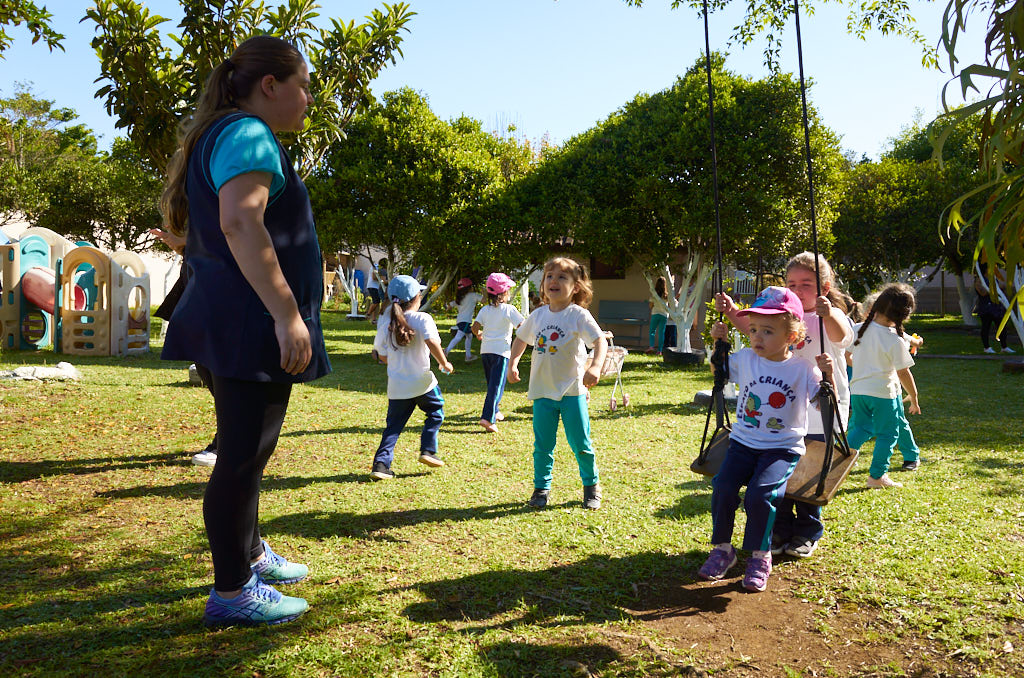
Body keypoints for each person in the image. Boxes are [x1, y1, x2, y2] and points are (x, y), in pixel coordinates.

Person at [159, 36, 331, 627]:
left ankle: (251, 554)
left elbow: (221, 225)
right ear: (269, 85)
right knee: (242, 454)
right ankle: (233, 590)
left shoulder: (226, 132)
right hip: (249, 322)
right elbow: (239, 222)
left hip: (232, 317)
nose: (309, 98)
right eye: (304, 85)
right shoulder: (249, 133)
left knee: (248, 450)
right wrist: (287, 315)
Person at [715, 253, 853, 560]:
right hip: (785, 411)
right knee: (780, 475)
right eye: (792, 284)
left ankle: (807, 530)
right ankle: (779, 528)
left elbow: (841, 337)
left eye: (807, 284)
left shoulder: (829, 314)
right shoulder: (782, 316)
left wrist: (828, 314)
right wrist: (732, 310)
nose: (798, 290)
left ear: (825, 287)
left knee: (810, 474)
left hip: (819, 405)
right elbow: (754, 326)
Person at [700, 286, 833, 592]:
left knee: (760, 495)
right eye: (754, 329)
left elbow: (823, 403)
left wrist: (828, 378)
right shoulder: (746, 358)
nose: (757, 337)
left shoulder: (803, 370)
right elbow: (719, 373)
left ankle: (760, 556)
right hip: (743, 443)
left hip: (781, 449)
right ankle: (723, 549)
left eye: (768, 331)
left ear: (791, 336)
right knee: (722, 487)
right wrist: (718, 345)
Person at [507, 257, 608, 510]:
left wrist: (595, 367)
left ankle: (591, 486)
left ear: (576, 287)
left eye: (562, 277)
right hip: (542, 392)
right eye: (549, 276)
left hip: (572, 391)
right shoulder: (538, 315)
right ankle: (541, 489)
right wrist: (513, 363)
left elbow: (600, 341)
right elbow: (521, 338)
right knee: (542, 445)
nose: (554, 281)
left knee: (581, 444)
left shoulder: (578, 315)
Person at [371, 275, 454, 480]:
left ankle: (381, 465)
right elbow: (432, 342)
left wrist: (397, 362)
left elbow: (381, 355)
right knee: (436, 411)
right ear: (417, 298)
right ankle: (428, 450)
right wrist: (444, 363)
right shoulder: (422, 319)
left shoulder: (385, 323)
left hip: (397, 386)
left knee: (393, 427)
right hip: (422, 383)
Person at [150, 227, 219, 467]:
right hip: (198, 293)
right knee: (208, 372)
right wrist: (181, 244)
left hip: (220, 296)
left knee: (222, 380)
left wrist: (185, 240)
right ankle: (232, 441)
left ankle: (227, 445)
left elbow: (227, 238)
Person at [846, 283, 920, 489]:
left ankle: (837, 462)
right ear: (904, 315)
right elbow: (903, 373)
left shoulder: (857, 330)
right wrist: (914, 397)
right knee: (887, 435)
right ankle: (877, 477)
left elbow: (847, 356)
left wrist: (865, 368)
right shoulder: (895, 339)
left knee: (860, 428)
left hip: (858, 392)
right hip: (884, 395)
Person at [471, 272, 524, 433]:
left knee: (492, 383)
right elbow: (522, 326)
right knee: (496, 385)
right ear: (505, 293)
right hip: (501, 352)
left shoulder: (485, 310)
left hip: (485, 351)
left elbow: (474, 327)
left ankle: (495, 411)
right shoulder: (509, 309)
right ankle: (487, 418)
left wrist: (479, 334)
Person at [974, 266, 1015, 354]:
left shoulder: (993, 278)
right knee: (986, 327)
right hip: (986, 307)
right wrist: (994, 288)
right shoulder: (979, 280)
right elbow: (983, 292)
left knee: (1002, 327)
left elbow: (1001, 286)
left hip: (996, 307)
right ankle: (986, 347)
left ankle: (1004, 347)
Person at [446, 277, 482, 362]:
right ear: (469, 288)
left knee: (469, 336)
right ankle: (446, 351)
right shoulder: (473, 295)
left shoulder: (460, 298)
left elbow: (450, 305)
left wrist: (448, 308)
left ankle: (468, 356)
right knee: (458, 337)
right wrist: (484, 292)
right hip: (466, 321)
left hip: (460, 321)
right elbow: (483, 300)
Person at [646, 276, 670, 354]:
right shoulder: (667, 295)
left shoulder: (654, 294)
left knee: (652, 331)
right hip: (664, 315)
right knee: (661, 333)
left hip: (655, 314)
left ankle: (651, 346)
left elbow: (650, 306)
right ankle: (660, 350)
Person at [365, 258, 388, 323]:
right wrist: (383, 280)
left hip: (376, 286)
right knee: (376, 302)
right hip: (373, 286)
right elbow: (374, 277)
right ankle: (368, 314)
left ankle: (374, 319)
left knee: (376, 302)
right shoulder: (376, 267)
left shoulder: (378, 267)